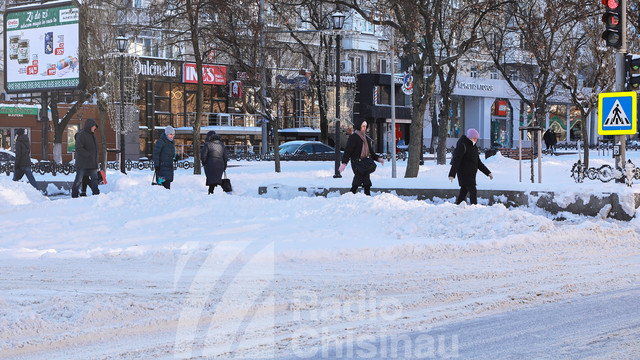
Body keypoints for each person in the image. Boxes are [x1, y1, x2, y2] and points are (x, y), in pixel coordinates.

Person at [338, 119, 385, 195]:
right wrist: (344, 163)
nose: (365, 128)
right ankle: (350, 196)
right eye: (363, 126)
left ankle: (366, 196)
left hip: (365, 163)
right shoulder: (354, 137)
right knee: (358, 180)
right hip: (357, 163)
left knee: (366, 182)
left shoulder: (365, 138)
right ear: (359, 127)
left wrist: (378, 159)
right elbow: (348, 151)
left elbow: (371, 152)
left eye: (365, 126)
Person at [448, 128, 493, 205]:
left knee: (464, 191)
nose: (476, 140)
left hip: (471, 174)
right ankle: (474, 206)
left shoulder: (474, 147)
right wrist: (452, 174)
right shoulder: (463, 145)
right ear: (469, 137)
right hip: (464, 173)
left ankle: (458, 205)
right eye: (474, 138)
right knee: (473, 191)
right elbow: (456, 160)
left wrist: (488, 172)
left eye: (477, 139)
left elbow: (478, 162)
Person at [71, 119, 100, 198]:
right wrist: (89, 155)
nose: (95, 128)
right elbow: (79, 148)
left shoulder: (92, 135)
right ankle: (74, 195)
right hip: (83, 163)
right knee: (79, 180)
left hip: (92, 163)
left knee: (94, 179)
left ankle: (96, 194)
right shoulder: (82, 134)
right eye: (94, 126)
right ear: (89, 126)